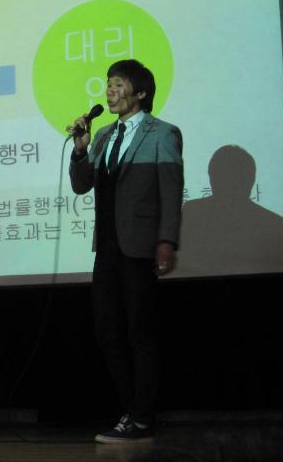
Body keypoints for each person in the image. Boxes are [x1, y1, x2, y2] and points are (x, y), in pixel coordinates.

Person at [68, 59, 183, 444]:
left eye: (118, 84)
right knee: (107, 332)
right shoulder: (102, 136)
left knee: (140, 332)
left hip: (139, 246)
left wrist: (167, 240)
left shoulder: (162, 133)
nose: (110, 91)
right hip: (107, 247)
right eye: (108, 84)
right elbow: (82, 185)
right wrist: (80, 151)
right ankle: (134, 413)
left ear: (141, 92)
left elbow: (171, 190)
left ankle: (141, 418)